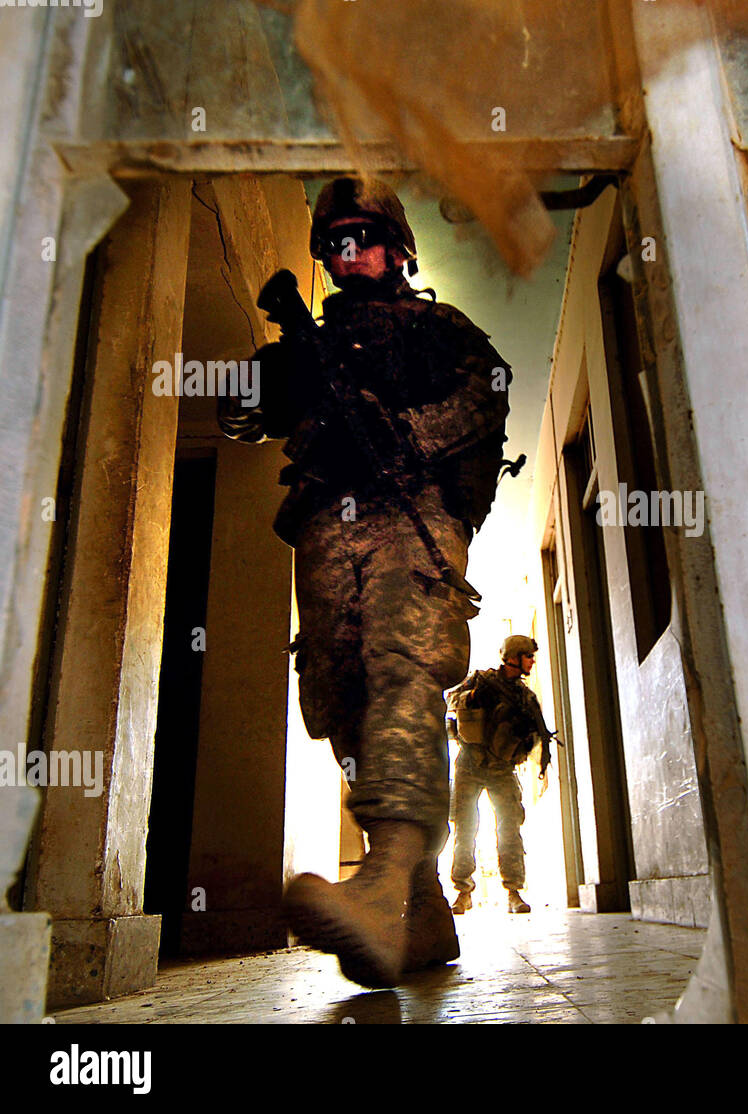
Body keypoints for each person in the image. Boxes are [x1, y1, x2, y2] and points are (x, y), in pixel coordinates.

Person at [218, 176, 511, 988]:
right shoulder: (306, 346)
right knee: (342, 694)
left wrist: (411, 432)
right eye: (337, 240)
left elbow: (488, 394)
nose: (351, 253)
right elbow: (246, 412)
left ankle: (382, 883)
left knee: (402, 669)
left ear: (399, 249)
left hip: (411, 511)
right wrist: (250, 392)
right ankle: (416, 918)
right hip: (324, 525)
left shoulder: (439, 327)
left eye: (365, 236)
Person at [447, 634, 554, 914]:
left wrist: (525, 735)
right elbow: (450, 701)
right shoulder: (481, 680)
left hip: (502, 769)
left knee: (509, 829)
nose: (532, 661)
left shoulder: (525, 697)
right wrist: (471, 697)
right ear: (514, 657)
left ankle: (514, 892)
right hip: (470, 764)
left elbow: (536, 736)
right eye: (528, 656)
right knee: (465, 828)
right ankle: (463, 891)